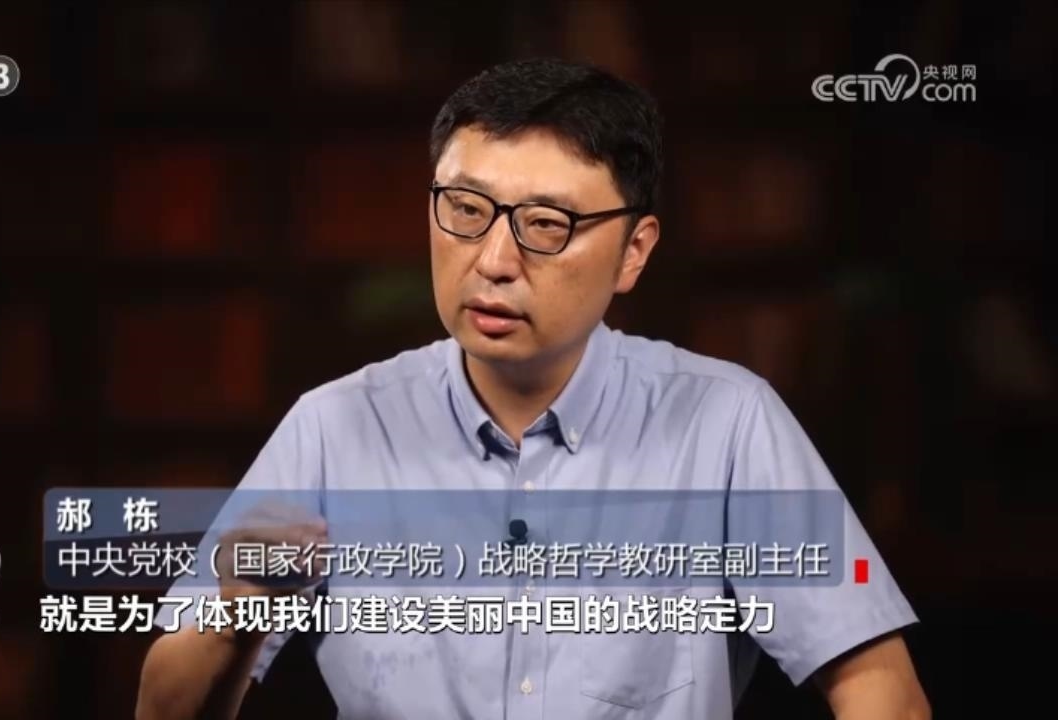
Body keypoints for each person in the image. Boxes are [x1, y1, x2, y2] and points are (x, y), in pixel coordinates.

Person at [135, 57, 929, 720]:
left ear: (633, 252)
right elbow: (162, 706)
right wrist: (236, 613)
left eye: (546, 224)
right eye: (465, 209)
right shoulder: (335, 427)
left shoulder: (725, 424)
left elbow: (881, 691)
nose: (493, 260)